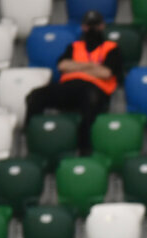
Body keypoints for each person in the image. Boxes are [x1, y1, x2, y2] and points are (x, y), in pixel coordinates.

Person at [25, 10, 123, 154]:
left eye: (95, 25)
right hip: (68, 87)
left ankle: (84, 151)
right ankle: (32, 139)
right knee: (35, 96)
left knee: (89, 103)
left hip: (95, 89)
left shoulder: (111, 48)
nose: (92, 29)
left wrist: (76, 66)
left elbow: (106, 73)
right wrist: (91, 66)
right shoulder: (74, 46)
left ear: (102, 26)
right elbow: (62, 65)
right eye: (89, 25)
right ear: (83, 27)